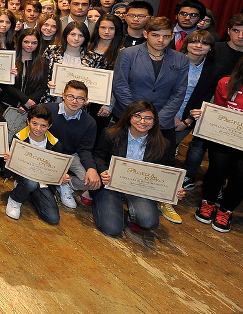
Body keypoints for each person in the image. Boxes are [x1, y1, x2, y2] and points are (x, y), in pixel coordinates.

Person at [111, 17, 189, 223]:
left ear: (172, 36)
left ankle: (164, 199)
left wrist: (156, 120)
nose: (161, 41)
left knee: (164, 159)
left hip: (162, 119)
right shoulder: (128, 54)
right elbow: (120, 85)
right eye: (155, 35)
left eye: (166, 36)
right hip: (127, 115)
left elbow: (179, 92)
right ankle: (117, 192)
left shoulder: (180, 60)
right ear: (146, 34)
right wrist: (136, 116)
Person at [92, 101, 185, 237]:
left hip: (140, 189)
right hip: (110, 185)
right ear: (129, 117)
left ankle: (131, 214)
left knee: (149, 221)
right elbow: (98, 156)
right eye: (137, 116)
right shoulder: (111, 133)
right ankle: (100, 201)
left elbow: (167, 171)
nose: (142, 121)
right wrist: (102, 171)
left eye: (148, 118)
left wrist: (174, 189)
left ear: (154, 121)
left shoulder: (163, 144)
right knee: (112, 229)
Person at [193, 57, 243, 232]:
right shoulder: (226, 83)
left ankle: (226, 210)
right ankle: (208, 203)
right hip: (223, 138)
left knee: (240, 176)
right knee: (217, 169)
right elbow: (217, 110)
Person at [3, 105, 67, 223]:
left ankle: (27, 192)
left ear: (49, 126)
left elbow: (56, 168)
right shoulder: (19, 138)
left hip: (43, 182)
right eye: (35, 123)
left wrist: (61, 176)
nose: (38, 128)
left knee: (53, 219)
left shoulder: (56, 144)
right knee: (30, 182)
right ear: (28, 121)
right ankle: (15, 199)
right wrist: (8, 159)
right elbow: (10, 168)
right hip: (24, 176)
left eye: (43, 126)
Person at [175, 30, 218, 189]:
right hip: (165, 112)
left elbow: (207, 98)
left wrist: (187, 121)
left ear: (210, 48)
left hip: (189, 117)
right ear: (187, 44)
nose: (199, 46)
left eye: (205, 43)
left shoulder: (215, 70)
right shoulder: (172, 60)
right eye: (194, 41)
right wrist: (172, 115)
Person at [50, 80, 102, 209]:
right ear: (63, 95)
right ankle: (53, 181)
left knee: (90, 181)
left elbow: (85, 149)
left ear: (86, 101)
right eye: (71, 96)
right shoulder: (47, 110)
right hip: (47, 152)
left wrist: (92, 168)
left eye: (80, 98)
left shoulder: (89, 122)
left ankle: (64, 185)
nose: (74, 101)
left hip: (71, 155)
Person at [1, 29, 49, 112]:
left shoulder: (42, 62)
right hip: (8, 104)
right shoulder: (11, 58)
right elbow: (5, 85)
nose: (30, 45)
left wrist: (28, 104)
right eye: (26, 42)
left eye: (34, 43)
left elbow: (42, 87)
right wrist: (24, 100)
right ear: (20, 42)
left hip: (31, 107)